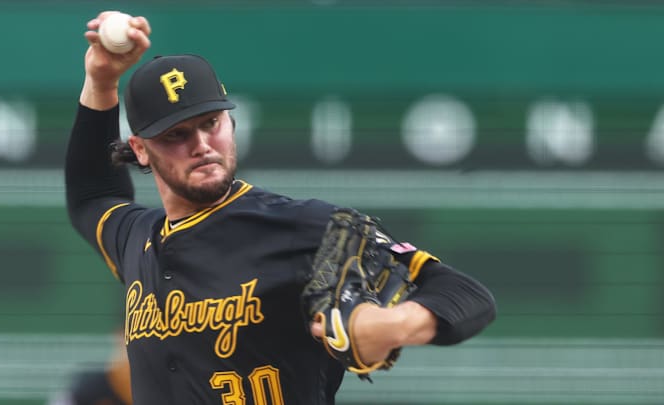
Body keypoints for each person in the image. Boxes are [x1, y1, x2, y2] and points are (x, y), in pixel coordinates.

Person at [65, 11, 496, 405]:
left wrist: (393, 325)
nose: (200, 145)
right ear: (140, 150)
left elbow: (467, 295)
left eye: (210, 123)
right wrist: (101, 82)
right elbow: (92, 195)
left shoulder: (301, 226)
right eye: (176, 134)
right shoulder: (136, 239)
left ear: (229, 123)